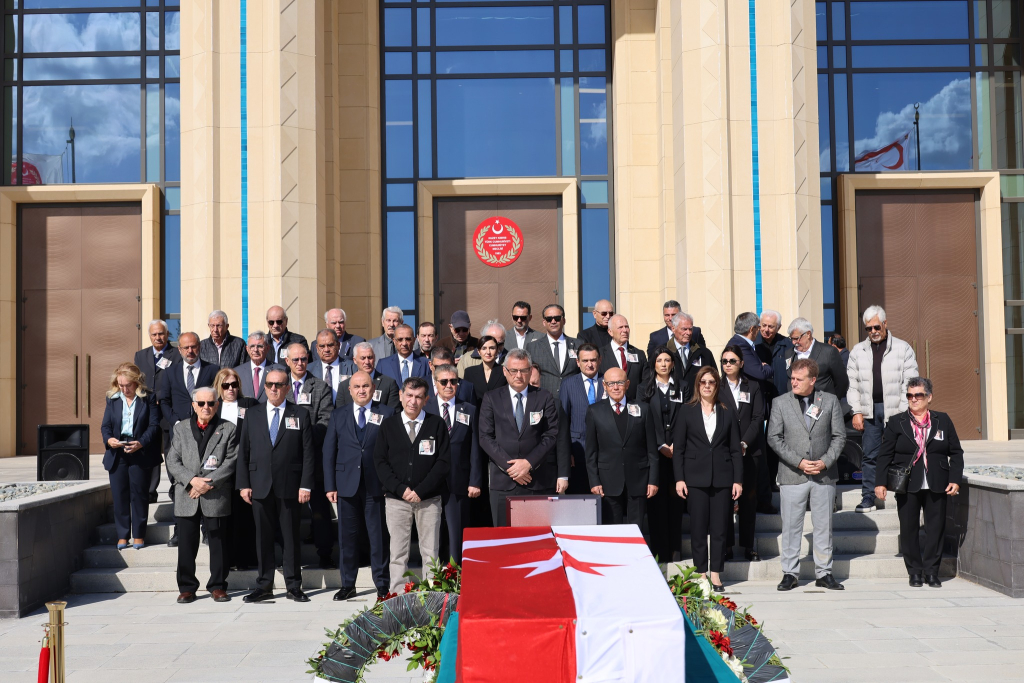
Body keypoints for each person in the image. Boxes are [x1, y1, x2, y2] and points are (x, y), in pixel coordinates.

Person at [236, 366, 316, 603]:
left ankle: (293, 586)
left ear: (287, 387)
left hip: (290, 486)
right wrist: (243, 484)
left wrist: (306, 485)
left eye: (279, 384)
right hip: (259, 485)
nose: (273, 388)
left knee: (290, 538)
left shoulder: (300, 414)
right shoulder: (252, 414)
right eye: (269, 384)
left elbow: (308, 454)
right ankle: (264, 586)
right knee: (263, 538)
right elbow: (244, 452)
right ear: (264, 387)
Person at [875, 377, 963, 588]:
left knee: (935, 529)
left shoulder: (943, 420)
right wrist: (880, 482)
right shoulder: (897, 422)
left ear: (929, 397)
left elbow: (956, 453)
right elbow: (884, 455)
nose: (913, 399)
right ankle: (914, 572)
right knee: (909, 529)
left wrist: (955, 479)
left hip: (937, 483)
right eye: (910, 395)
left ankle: (932, 572)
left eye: (918, 395)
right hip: (907, 484)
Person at [768, 358, 846, 592]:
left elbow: (839, 436)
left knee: (824, 526)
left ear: (813, 380)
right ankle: (790, 573)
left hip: (823, 475)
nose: (793, 382)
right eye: (792, 378)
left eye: (798, 379)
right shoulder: (780, 403)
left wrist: (824, 462)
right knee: (791, 527)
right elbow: (774, 438)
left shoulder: (830, 401)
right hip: (793, 474)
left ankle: (824, 572)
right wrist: (800, 462)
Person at [373, 376, 452, 593]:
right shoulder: (388, 425)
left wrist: (420, 490)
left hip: (429, 500)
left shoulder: (436, 424)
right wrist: (402, 490)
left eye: (418, 397)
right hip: (397, 501)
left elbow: (443, 463)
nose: (413, 401)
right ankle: (397, 595)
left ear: (426, 399)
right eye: (409, 395)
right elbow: (380, 462)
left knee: (431, 552)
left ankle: (432, 596)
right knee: (398, 553)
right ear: (400, 395)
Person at [324, 370, 395, 601]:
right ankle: (348, 584)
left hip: (376, 486)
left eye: (366, 386)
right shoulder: (338, 415)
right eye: (357, 387)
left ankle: (382, 585)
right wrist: (330, 485)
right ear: (349, 390)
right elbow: (329, 452)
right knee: (347, 537)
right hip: (346, 486)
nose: (362, 390)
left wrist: (390, 482)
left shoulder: (386, 412)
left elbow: (393, 452)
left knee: (378, 538)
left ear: (373, 389)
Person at [165, 386, 238, 604]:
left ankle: (218, 586)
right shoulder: (181, 430)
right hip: (187, 494)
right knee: (187, 544)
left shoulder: (228, 429)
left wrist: (208, 483)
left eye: (211, 403)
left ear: (217, 404)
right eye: (201, 403)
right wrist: (192, 481)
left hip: (215, 494)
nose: (206, 407)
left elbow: (230, 461)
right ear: (193, 405)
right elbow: (172, 460)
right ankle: (187, 587)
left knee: (218, 543)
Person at [674, 366, 743, 592]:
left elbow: (735, 449)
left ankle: (716, 575)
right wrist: (679, 479)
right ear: (697, 385)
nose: (706, 386)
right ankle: (701, 573)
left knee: (720, 528)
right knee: (698, 528)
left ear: (717, 385)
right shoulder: (686, 411)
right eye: (703, 382)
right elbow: (679, 450)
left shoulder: (727, 412)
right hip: (695, 479)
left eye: (711, 382)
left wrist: (738, 480)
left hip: (723, 479)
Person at [847, 305, 919, 513]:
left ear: (885, 324)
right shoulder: (857, 351)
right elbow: (853, 385)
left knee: (900, 453)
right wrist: (856, 411)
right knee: (869, 455)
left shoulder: (902, 348)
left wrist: (905, 411)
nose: (873, 332)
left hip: (897, 410)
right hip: (869, 411)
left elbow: (911, 381)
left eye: (876, 326)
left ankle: (902, 494)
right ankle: (868, 497)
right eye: (868, 328)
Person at [478, 348, 561, 525]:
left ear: (531, 371)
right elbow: (485, 437)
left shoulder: (544, 397)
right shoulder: (491, 398)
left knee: (537, 539)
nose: (518, 375)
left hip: (536, 481)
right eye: (513, 370)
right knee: (504, 541)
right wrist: (512, 469)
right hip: (503, 482)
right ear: (504, 371)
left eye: (523, 370)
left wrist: (528, 463)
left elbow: (551, 435)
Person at [157, 331, 218, 548]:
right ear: (179, 349)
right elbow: (163, 400)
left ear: (199, 347)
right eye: (186, 348)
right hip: (180, 435)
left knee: (206, 480)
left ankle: (208, 531)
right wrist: (175, 422)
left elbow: (216, 399)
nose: (190, 351)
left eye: (193, 346)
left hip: (207, 433)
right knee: (179, 481)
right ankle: (180, 531)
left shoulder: (212, 370)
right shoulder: (170, 372)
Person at [284, 342, 336, 569]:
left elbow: (325, 421)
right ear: (287, 361)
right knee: (286, 513)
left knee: (320, 512)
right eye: (295, 360)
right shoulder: (279, 384)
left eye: (303, 359)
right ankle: (286, 558)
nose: (300, 363)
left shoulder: (320, 386)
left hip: (313, 459)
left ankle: (325, 555)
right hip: (285, 460)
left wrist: (301, 437)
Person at [585, 367, 658, 525]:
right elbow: (591, 452)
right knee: (612, 531)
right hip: (607, 480)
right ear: (604, 386)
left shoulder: (643, 409)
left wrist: (653, 480)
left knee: (637, 529)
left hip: (639, 479)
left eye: (619, 382)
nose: (616, 387)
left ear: (627, 384)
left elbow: (652, 449)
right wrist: (594, 481)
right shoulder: (594, 411)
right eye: (611, 383)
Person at [101, 363, 162, 550]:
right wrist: (109, 440)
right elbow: (105, 426)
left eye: (128, 385)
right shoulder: (113, 399)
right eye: (121, 385)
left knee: (139, 495)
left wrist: (141, 443)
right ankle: (122, 535)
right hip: (117, 451)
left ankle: (139, 535)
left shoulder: (148, 398)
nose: (124, 389)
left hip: (140, 450)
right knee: (119, 495)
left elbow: (154, 426)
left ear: (137, 383)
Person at [424, 364, 481, 563]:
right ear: (435, 383)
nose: (449, 385)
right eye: (444, 381)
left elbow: (475, 448)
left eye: (453, 381)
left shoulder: (470, 409)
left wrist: (475, 481)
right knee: (432, 532)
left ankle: (456, 576)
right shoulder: (425, 408)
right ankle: (434, 577)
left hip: (459, 481)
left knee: (456, 532)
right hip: (430, 483)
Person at [719, 345, 765, 562]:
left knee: (748, 499)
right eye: (724, 361)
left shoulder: (752, 386)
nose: (728, 365)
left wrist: (744, 441)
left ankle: (748, 545)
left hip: (749, 451)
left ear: (741, 363)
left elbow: (758, 418)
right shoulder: (716, 386)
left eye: (732, 361)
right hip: (724, 453)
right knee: (726, 499)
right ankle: (726, 546)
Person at [639, 345, 684, 562]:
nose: (664, 364)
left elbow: (687, 418)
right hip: (654, 454)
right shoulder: (643, 389)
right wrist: (659, 445)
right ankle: (659, 553)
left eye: (667, 360)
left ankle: (675, 552)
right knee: (656, 506)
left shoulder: (684, 387)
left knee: (676, 504)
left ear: (673, 364)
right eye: (659, 361)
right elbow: (643, 422)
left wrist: (676, 444)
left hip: (678, 454)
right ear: (653, 364)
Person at [213, 368, 258, 571]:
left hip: (245, 467)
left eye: (234, 384)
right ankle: (227, 560)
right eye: (226, 385)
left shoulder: (249, 404)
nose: (231, 389)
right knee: (224, 517)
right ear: (219, 387)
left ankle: (246, 559)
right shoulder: (213, 406)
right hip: (220, 469)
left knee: (244, 516)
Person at [134, 319, 180, 503]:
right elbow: (138, 381)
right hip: (148, 411)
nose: (158, 337)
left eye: (161, 333)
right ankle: (150, 491)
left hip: (168, 408)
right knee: (151, 450)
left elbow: (177, 381)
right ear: (149, 336)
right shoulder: (140, 355)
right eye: (154, 334)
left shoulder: (176, 354)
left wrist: (160, 396)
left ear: (167, 334)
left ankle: (175, 488)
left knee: (171, 449)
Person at [754, 309, 792, 514]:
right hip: (759, 400)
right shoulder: (753, 344)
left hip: (780, 399)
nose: (766, 330)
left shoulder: (786, 344)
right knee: (758, 441)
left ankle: (772, 480)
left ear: (778, 327)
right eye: (764, 325)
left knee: (776, 441)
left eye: (771, 326)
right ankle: (762, 486)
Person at [558, 343, 605, 494]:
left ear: (600, 360)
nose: (589, 364)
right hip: (577, 453)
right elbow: (563, 423)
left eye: (593, 360)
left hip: (605, 454)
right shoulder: (568, 384)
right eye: (585, 361)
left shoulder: (608, 382)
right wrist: (567, 453)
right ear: (578, 362)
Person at [525, 303, 581, 399]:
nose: (553, 321)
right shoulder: (532, 347)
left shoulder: (578, 344)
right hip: (544, 400)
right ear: (544, 322)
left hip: (573, 398)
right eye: (549, 319)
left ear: (563, 320)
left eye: (557, 318)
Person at [784, 318, 849, 398]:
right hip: (796, 406)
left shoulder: (828, 352)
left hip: (822, 406)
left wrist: (830, 403)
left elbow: (842, 382)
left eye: (796, 338)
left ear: (808, 334)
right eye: (791, 339)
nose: (793, 342)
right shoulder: (789, 353)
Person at [597, 314, 649, 401]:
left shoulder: (639, 354)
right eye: (620, 327)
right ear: (610, 332)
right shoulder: (600, 354)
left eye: (626, 327)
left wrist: (638, 402)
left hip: (634, 404)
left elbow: (645, 381)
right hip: (608, 406)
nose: (625, 330)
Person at [337, 342, 401, 410]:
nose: (367, 362)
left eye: (370, 357)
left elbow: (393, 414)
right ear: (355, 360)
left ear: (374, 358)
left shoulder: (389, 384)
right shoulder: (344, 386)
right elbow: (341, 415)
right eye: (363, 358)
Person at [670, 312, 715, 401]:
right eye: (684, 329)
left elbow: (714, 377)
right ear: (673, 329)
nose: (688, 333)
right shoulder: (664, 353)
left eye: (690, 329)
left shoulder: (704, 353)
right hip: (673, 404)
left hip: (698, 403)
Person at [309, 329, 358, 405]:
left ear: (338, 345)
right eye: (322, 346)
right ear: (317, 348)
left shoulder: (352, 367)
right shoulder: (309, 370)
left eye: (330, 345)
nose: (326, 350)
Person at [725, 312, 774, 385]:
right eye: (758, 328)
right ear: (751, 329)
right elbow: (761, 373)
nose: (759, 331)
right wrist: (767, 367)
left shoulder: (739, 342)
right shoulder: (741, 346)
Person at [463, 334, 509, 404]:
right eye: (484, 348)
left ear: (497, 351)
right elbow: (466, 397)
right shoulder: (469, 372)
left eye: (492, 348)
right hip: (477, 413)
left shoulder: (504, 371)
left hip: (498, 413)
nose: (488, 352)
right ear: (478, 352)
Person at [235, 331, 270, 403]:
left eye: (260, 346)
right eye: (252, 346)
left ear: (267, 348)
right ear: (247, 349)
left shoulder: (278, 370)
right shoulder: (237, 372)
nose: (255, 350)